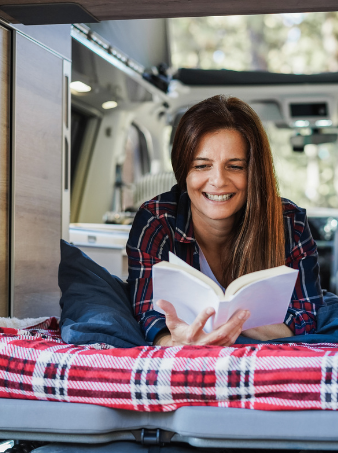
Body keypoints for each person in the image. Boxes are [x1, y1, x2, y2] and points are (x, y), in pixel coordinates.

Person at [126, 95, 323, 346]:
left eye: (235, 166)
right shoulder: (156, 221)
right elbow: (147, 313)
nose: (218, 181)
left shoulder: (289, 222)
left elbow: (308, 314)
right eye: (201, 166)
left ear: (254, 173)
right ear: (183, 170)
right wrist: (178, 341)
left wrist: (238, 324)